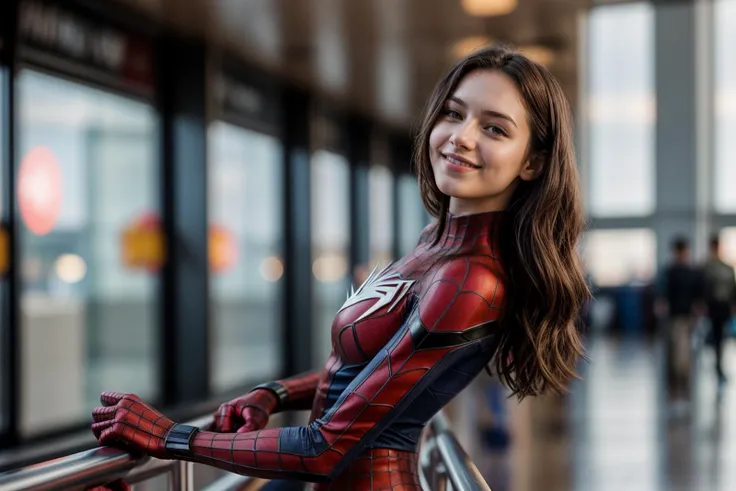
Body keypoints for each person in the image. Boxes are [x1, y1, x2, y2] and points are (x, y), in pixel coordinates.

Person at [89, 44, 591, 491]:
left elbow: (325, 446)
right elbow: (363, 371)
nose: (460, 137)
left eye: (494, 128)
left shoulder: (470, 279)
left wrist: (170, 437)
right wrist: (274, 392)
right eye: (453, 114)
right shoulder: (434, 245)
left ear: (533, 162)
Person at [656, 236, 703, 408]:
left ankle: (682, 386)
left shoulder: (693, 273)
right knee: (675, 353)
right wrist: (661, 304)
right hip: (674, 318)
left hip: (687, 318)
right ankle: (675, 387)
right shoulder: (669, 272)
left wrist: (699, 308)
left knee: (682, 353)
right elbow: (661, 294)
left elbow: (699, 294)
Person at [701, 234, 736, 387]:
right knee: (717, 338)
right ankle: (718, 367)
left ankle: (719, 366)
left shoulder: (713, 268)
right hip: (716, 307)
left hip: (721, 307)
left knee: (720, 337)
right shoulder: (710, 267)